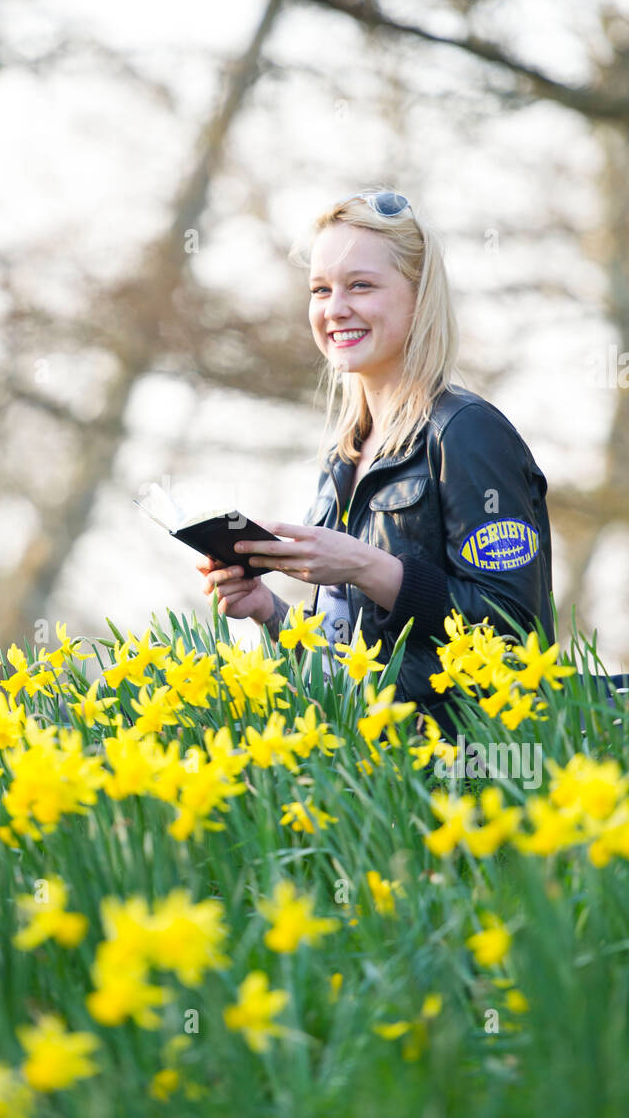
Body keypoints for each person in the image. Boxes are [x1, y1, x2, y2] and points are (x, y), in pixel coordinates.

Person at [196, 188, 556, 743]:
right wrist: (269, 612)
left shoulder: (466, 433)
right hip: (373, 786)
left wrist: (367, 566)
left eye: (360, 285)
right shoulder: (343, 457)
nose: (334, 308)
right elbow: (350, 668)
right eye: (321, 289)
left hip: (465, 776)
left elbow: (510, 633)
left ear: (419, 296)